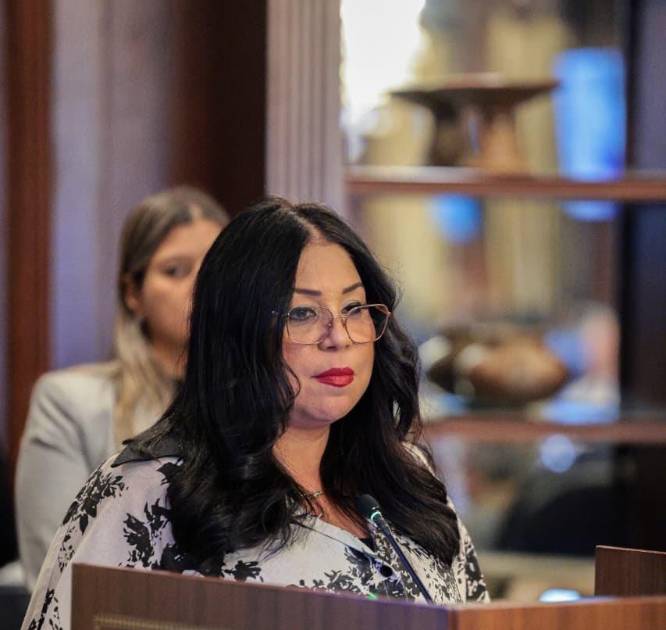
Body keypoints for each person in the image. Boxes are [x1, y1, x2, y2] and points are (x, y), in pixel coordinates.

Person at [22, 198, 488, 629]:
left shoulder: (408, 476)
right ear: (238, 332)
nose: (338, 336)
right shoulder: (149, 492)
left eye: (353, 307)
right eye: (302, 313)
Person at [15, 186, 229, 590]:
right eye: (176, 271)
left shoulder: (271, 404)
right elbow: (55, 577)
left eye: (217, 270)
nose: (203, 287)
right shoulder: (69, 403)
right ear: (133, 293)